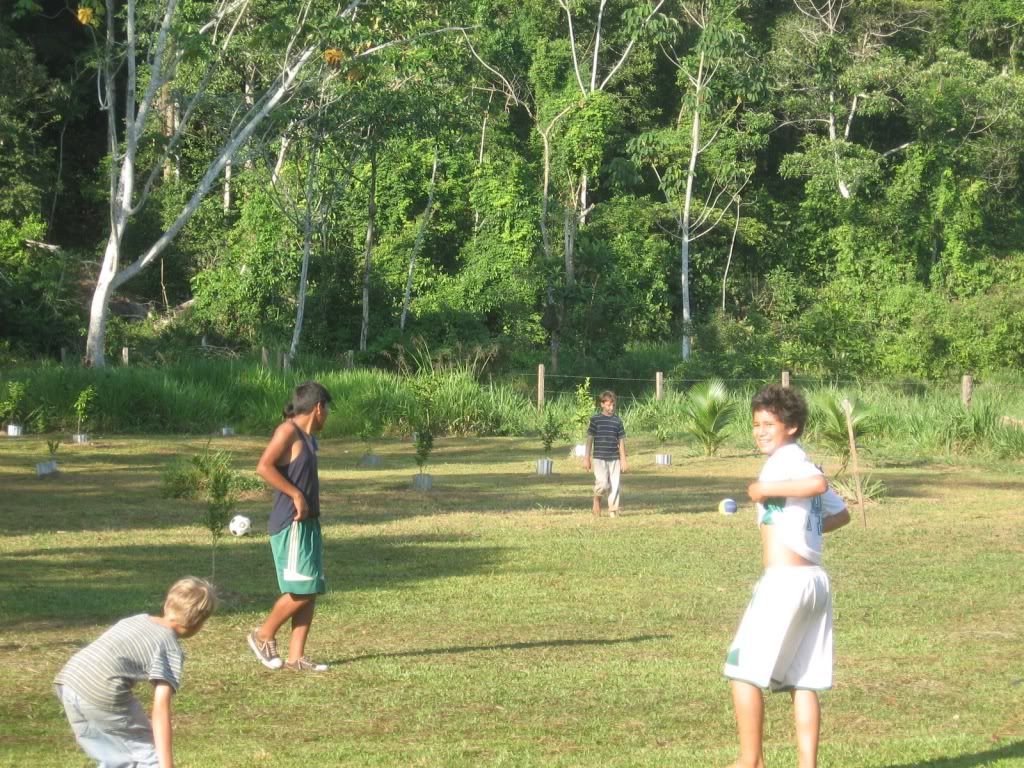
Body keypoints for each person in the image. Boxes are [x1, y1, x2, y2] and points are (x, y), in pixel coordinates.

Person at [723, 384, 850, 768]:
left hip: (784, 582)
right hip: (814, 581)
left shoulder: (785, 461)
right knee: (803, 679)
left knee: (741, 672)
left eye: (768, 424)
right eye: (756, 424)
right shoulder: (800, 458)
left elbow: (818, 485)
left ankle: (750, 761)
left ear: (791, 426)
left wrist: (763, 488)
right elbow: (840, 514)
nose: (760, 431)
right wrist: (805, 530)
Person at [54, 577, 217, 768]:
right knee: (147, 756)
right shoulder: (169, 646)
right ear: (199, 623)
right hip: (102, 692)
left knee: (113, 757)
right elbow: (160, 710)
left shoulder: (136, 619)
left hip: (69, 682)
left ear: (167, 604)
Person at [248, 380, 332, 673]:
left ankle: (297, 657)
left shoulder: (309, 439)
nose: (327, 417)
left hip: (309, 523)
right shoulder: (288, 432)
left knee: (310, 589)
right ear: (319, 408)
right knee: (301, 589)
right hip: (291, 523)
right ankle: (263, 634)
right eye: (327, 410)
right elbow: (264, 466)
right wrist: (296, 494)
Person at [583, 390, 628, 517]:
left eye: (613, 405)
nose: (611, 408)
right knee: (602, 484)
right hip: (599, 458)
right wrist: (586, 458)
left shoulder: (617, 421)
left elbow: (621, 441)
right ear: (602, 404)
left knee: (615, 485)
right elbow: (590, 439)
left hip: (615, 458)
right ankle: (597, 498)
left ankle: (613, 511)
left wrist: (623, 459)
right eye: (609, 405)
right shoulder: (595, 420)